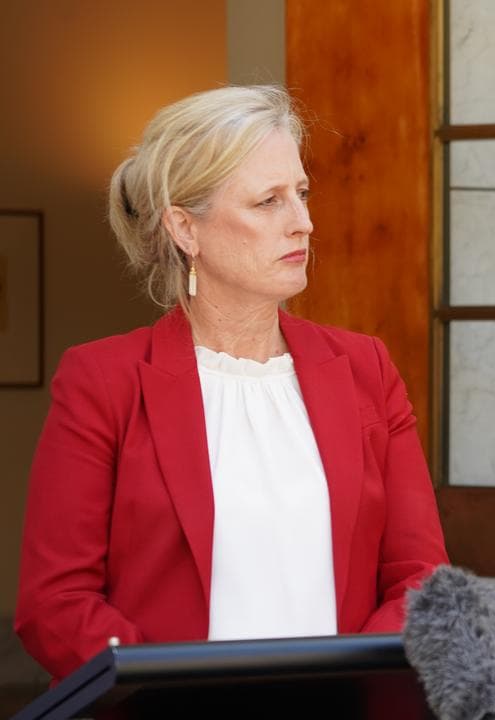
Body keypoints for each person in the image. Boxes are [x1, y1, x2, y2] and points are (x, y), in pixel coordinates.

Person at [15, 85, 449, 681]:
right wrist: (173, 694)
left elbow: (420, 578)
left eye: (301, 193)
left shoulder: (365, 368)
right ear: (184, 229)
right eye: (268, 201)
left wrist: (343, 687)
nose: (304, 222)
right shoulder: (102, 382)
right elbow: (56, 606)